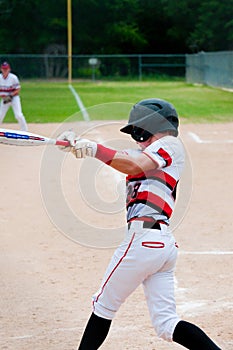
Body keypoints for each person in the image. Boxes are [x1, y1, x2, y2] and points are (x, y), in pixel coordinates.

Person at [57, 98, 221, 350]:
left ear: (152, 125)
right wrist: (79, 146)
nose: (136, 138)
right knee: (167, 324)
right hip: (161, 245)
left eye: (138, 131)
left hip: (143, 241)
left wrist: (92, 149)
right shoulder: (151, 154)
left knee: (103, 306)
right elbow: (128, 159)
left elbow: (134, 163)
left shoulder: (169, 144)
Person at [0, 61, 28, 131]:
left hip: (14, 98)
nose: (5, 70)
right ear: (1, 69)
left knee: (18, 115)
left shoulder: (13, 77)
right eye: (3, 69)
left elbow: (18, 89)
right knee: (0, 115)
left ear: (9, 69)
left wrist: (10, 96)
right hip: (4, 99)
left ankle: (25, 130)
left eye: (6, 69)